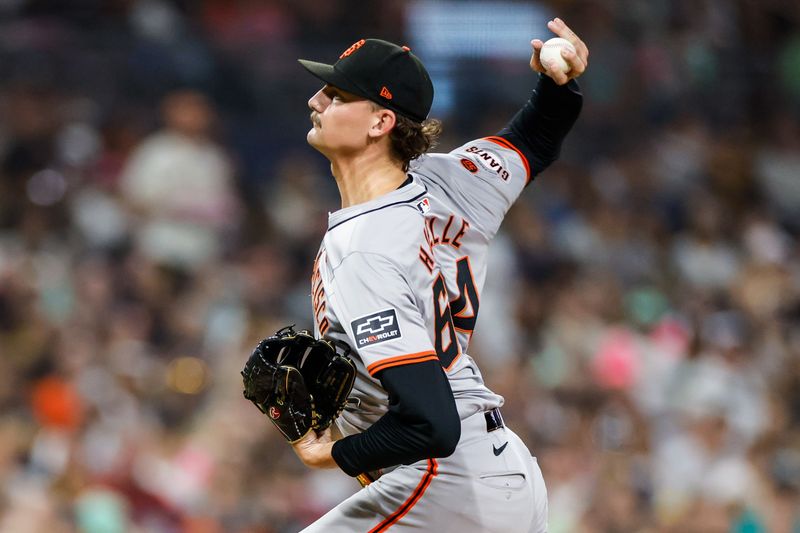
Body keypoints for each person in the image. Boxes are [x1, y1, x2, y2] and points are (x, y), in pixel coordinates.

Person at [290, 17, 587, 533]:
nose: (317, 100)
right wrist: (557, 85)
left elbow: (431, 424)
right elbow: (534, 138)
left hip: (448, 482)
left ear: (380, 122)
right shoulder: (449, 181)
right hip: (503, 472)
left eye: (337, 95)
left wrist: (331, 452)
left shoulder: (363, 250)